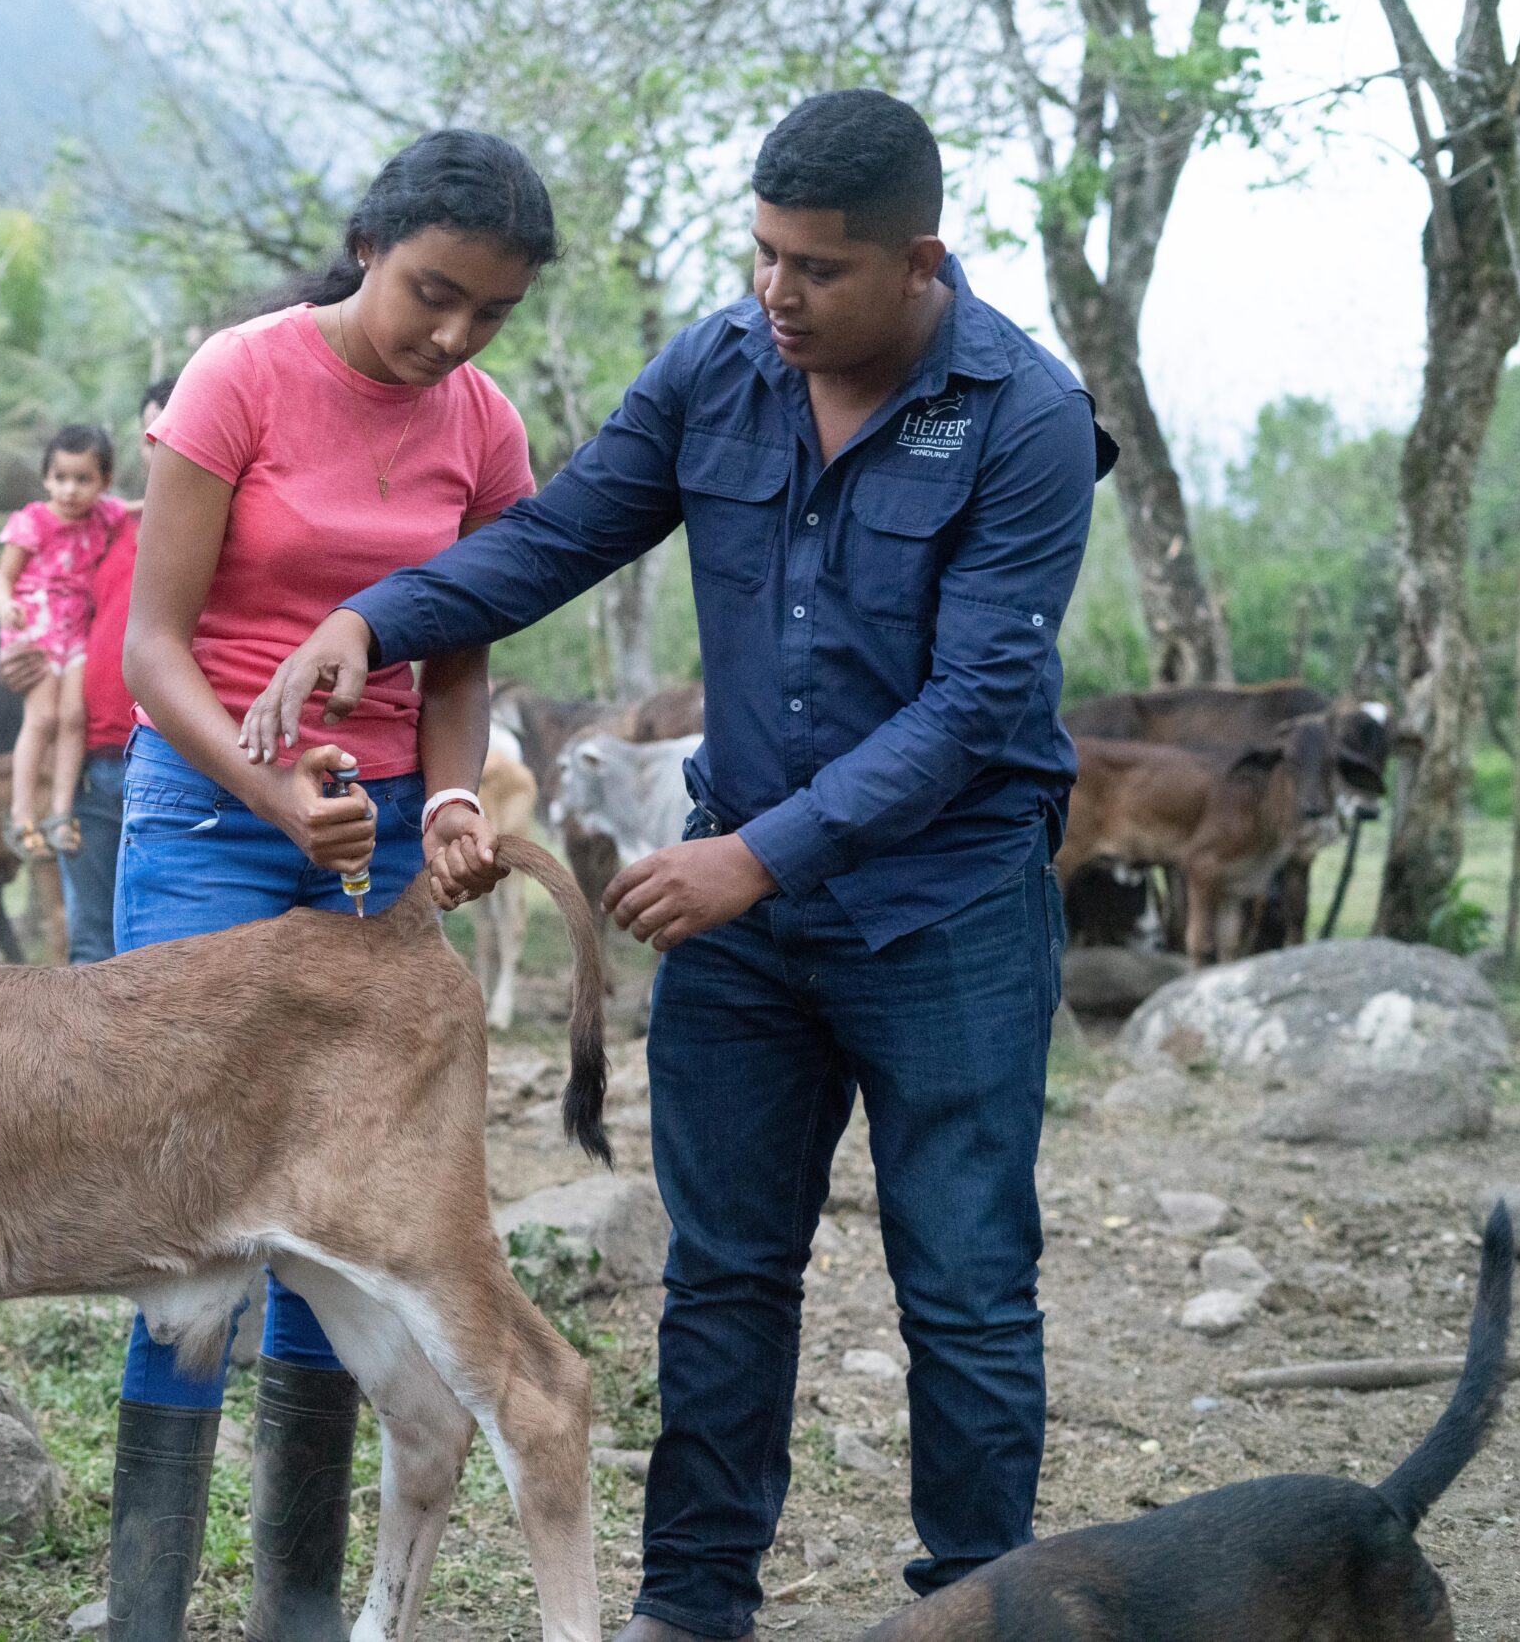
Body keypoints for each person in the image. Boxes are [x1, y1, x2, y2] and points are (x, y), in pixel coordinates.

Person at [252, 91, 1115, 1642]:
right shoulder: (723, 365)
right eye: (762, 255)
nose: (777, 293)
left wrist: (754, 861)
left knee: (967, 1288)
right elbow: (561, 534)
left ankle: (972, 1612)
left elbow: (977, 702)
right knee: (723, 1275)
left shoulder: (1026, 418)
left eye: (818, 269)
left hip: (947, 911)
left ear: (922, 261)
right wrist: (385, 617)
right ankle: (692, 1604)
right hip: (741, 910)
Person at [104, 128, 557, 1642]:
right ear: (370, 244)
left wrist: (440, 804)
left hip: (365, 847)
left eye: (488, 313)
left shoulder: (485, 428)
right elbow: (149, 649)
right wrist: (267, 791)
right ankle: (147, 1612)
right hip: (209, 816)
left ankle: (300, 1609)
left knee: (342, 1218)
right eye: (433, 292)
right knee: (181, 1207)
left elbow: (461, 657)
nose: (451, 335)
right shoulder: (240, 375)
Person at [0, 377, 174, 963]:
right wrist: (15, 657)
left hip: (179, 765)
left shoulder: (238, 522)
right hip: (94, 768)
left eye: (179, 422)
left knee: (171, 946)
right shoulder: (108, 524)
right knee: (92, 942)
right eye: (154, 429)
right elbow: (46, 596)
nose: (165, 439)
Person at [0, 425, 129, 860]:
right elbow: (4, 577)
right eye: (61, 478)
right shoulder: (33, 521)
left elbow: (138, 506)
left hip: (75, 629)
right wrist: (4, 607)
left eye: (83, 479)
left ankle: (60, 812)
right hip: (35, 625)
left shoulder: (104, 516)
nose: (70, 490)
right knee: (43, 718)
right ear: (47, 478)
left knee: (73, 715)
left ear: (103, 483)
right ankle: (20, 814)